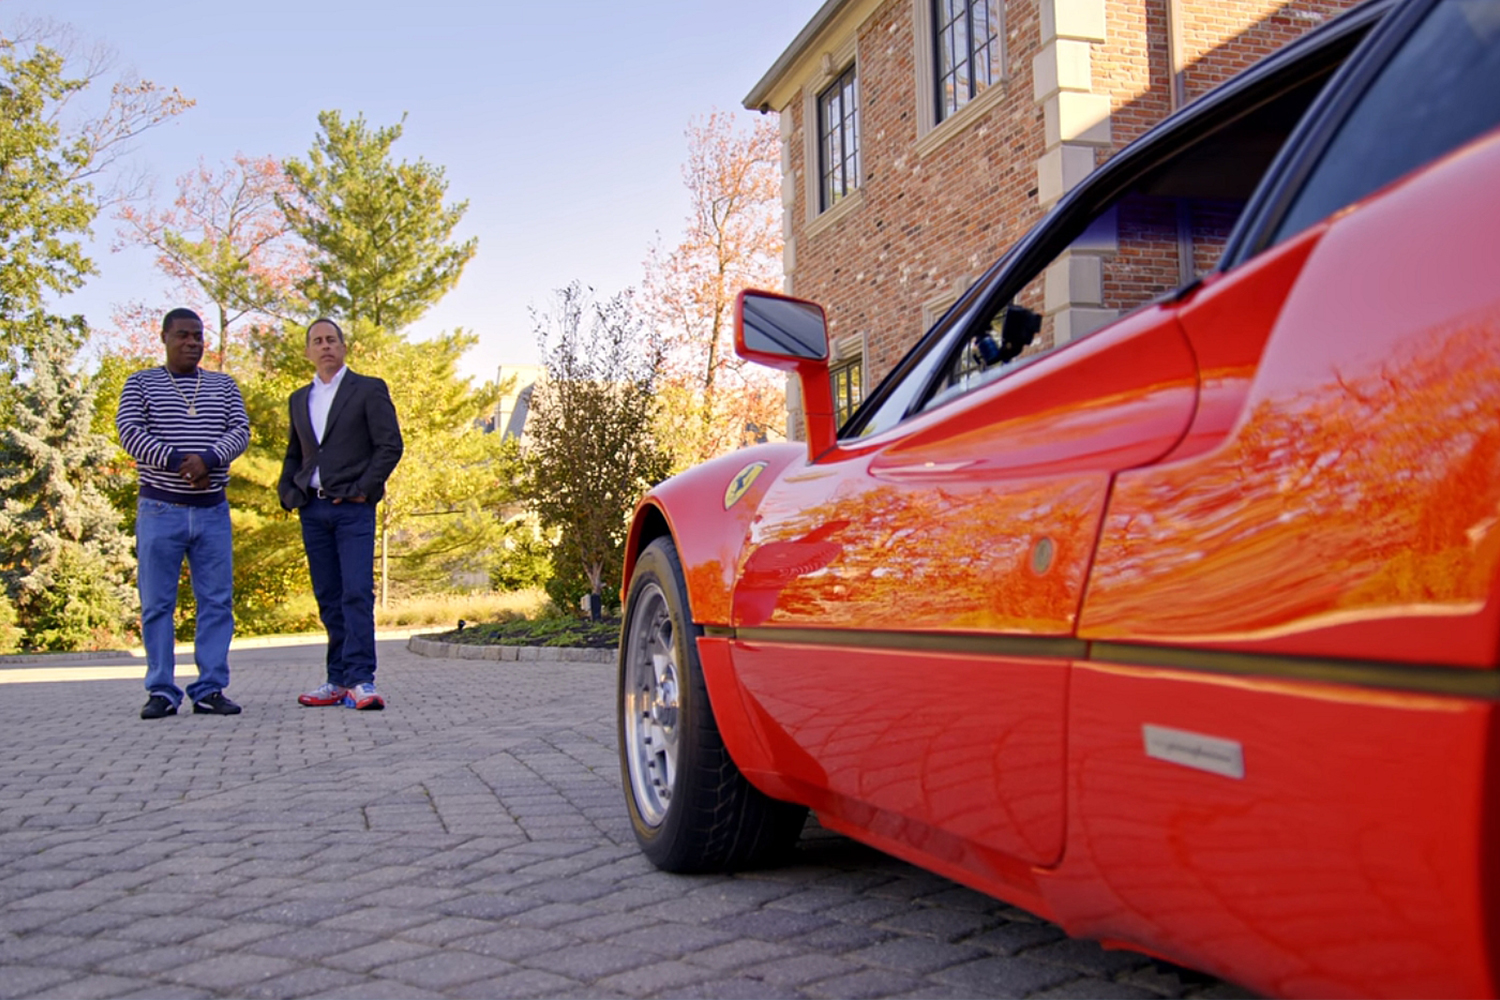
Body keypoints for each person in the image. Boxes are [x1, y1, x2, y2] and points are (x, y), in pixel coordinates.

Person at [116, 308, 250, 720]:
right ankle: (162, 690)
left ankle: (209, 689)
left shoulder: (223, 385)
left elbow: (240, 431)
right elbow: (130, 432)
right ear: (164, 337)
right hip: (160, 508)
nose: (192, 342)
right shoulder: (141, 383)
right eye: (183, 335)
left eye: (198, 336)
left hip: (212, 511)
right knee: (157, 603)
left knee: (216, 602)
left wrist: (208, 459)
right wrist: (179, 462)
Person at [278, 318, 403, 710]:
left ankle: (362, 680)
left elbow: (389, 446)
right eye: (317, 341)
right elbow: (295, 452)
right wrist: (287, 492)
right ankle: (336, 680)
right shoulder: (300, 399)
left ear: (344, 346)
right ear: (307, 352)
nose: (325, 346)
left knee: (355, 593)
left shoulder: (367, 389)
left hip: (352, 510)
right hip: (312, 509)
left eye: (332, 339)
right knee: (329, 596)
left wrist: (362, 491)